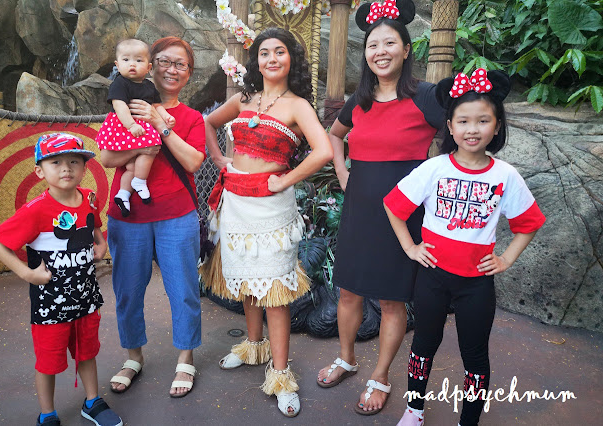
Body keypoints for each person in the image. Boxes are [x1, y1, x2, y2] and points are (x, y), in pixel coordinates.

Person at [385, 69, 546, 425]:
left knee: (474, 357)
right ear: (450, 126)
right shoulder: (434, 168)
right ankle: (414, 410)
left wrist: (506, 258)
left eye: (483, 120)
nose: (473, 129)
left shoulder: (505, 175)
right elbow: (393, 206)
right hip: (432, 277)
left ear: (497, 126)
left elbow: (529, 223)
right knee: (423, 346)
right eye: (463, 121)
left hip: (476, 284)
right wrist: (411, 247)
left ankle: (468, 420)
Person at [316, 0, 445, 416]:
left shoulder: (426, 96)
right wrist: (343, 172)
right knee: (348, 290)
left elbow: (458, 138)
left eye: (390, 43)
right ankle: (346, 358)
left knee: (391, 300)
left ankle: (382, 375)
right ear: (366, 53)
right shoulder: (360, 100)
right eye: (373, 45)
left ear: (406, 49)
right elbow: (335, 135)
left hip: (404, 216)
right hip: (359, 210)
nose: (380, 51)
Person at [201, 27, 333, 417]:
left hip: (272, 208)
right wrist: (219, 159)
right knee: (245, 280)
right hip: (235, 202)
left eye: (279, 52)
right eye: (264, 53)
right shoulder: (244, 99)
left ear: (292, 59)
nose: (271, 58)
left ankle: (280, 374)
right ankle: (253, 346)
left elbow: (324, 150)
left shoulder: (298, 106)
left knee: (274, 292)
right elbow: (209, 123)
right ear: (255, 61)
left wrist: (286, 180)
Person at [0, 133, 122, 426]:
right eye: (56, 162)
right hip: (50, 307)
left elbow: (93, 224)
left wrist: (100, 243)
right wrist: (27, 274)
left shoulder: (89, 197)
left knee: (87, 353)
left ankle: (92, 402)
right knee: (48, 362)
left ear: (84, 168)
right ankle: (47, 414)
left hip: (86, 300)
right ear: (39, 171)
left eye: (74, 161)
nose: (66, 168)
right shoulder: (36, 210)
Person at [101, 36, 205, 398]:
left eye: (180, 64)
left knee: (184, 290)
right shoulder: (124, 107)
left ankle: (186, 357)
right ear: (150, 66)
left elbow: (193, 161)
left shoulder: (192, 118)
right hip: (129, 215)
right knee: (127, 291)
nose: (171, 70)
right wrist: (140, 139)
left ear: (188, 73)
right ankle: (133, 356)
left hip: (176, 214)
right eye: (164, 61)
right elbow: (106, 158)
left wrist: (160, 124)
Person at [95, 38, 176, 217]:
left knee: (133, 166)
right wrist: (131, 125)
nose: (132, 64)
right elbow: (119, 106)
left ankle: (124, 193)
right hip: (123, 125)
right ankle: (140, 181)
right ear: (117, 65)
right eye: (126, 60)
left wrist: (166, 117)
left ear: (148, 67)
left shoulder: (149, 86)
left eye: (138, 60)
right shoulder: (120, 83)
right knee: (151, 145)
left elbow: (156, 105)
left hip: (140, 126)